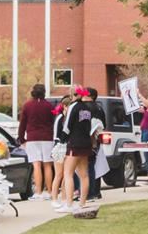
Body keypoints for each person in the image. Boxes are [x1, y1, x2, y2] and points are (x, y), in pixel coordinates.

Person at [62, 87, 99, 217]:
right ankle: (82, 202)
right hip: (85, 143)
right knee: (84, 174)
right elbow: (88, 125)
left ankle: (69, 203)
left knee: (68, 173)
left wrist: (62, 140)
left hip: (74, 143)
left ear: (73, 95)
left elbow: (67, 125)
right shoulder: (87, 108)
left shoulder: (74, 107)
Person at [19, 83, 59, 198]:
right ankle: (50, 191)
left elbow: (22, 124)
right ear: (44, 92)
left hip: (32, 138)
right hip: (47, 137)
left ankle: (38, 192)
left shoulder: (27, 106)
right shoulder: (49, 106)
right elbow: (53, 121)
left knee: (36, 164)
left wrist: (22, 139)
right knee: (47, 164)